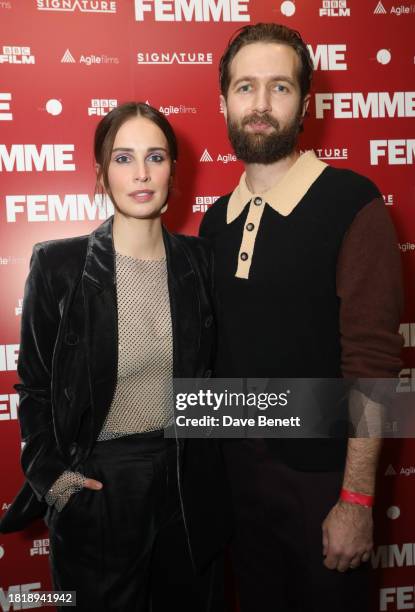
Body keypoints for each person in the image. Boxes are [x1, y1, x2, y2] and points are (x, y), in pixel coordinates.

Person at [199, 24, 403, 612]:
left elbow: (371, 366)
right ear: (224, 102)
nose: (260, 105)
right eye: (244, 88)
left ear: (305, 103)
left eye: (279, 87)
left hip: (323, 486)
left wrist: (357, 501)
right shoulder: (214, 223)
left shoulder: (352, 202)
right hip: (237, 484)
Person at [0, 102, 232, 611]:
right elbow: (35, 389)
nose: (142, 173)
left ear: (174, 167)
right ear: (101, 173)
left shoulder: (200, 262)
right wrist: (57, 483)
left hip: (187, 480)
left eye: (156, 157)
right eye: (124, 158)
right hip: (101, 484)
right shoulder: (58, 264)